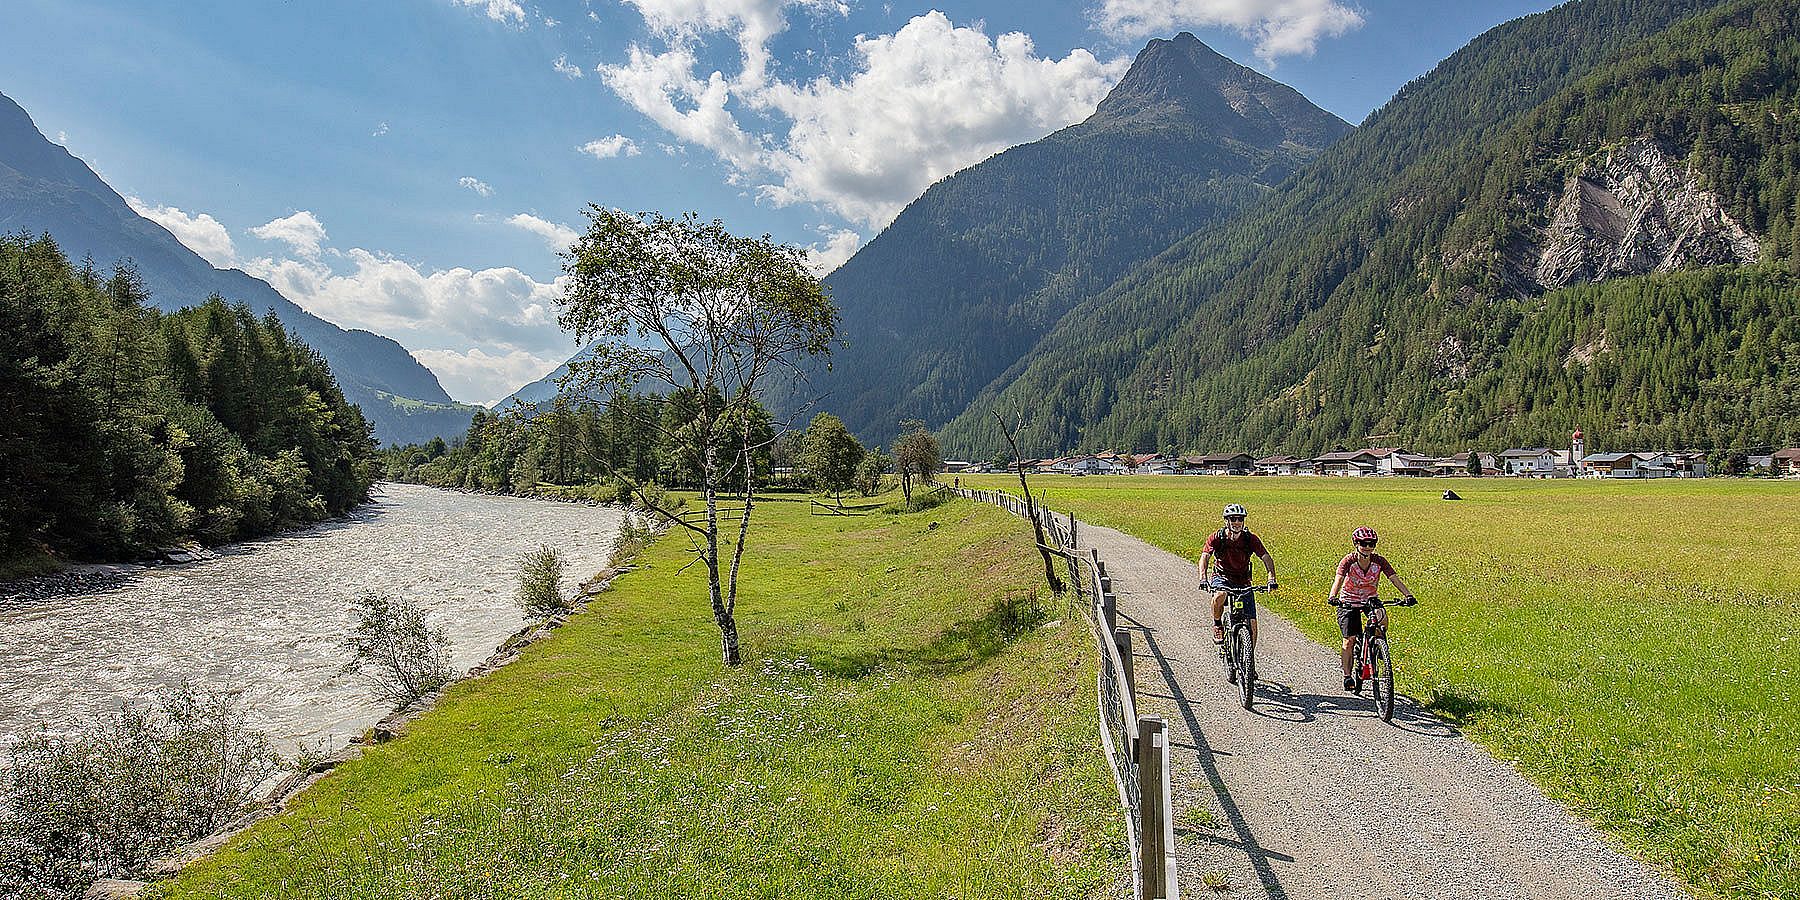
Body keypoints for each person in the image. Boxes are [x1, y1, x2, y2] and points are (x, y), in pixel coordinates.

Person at [1327, 526, 1415, 692]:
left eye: (1372, 543)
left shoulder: (1379, 561)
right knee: (1350, 639)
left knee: (1382, 618)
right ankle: (1347, 676)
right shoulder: (1348, 561)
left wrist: (1408, 595)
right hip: (1349, 601)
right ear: (1356, 543)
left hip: (1370, 599)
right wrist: (1333, 597)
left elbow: (1394, 579)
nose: (1367, 546)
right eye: (1363, 543)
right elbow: (1338, 579)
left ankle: (1379, 646)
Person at [1197, 503, 1278, 645]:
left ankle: (1248, 661)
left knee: (1252, 622)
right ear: (1226, 521)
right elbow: (1205, 556)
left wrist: (1271, 578)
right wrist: (1203, 578)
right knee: (1220, 595)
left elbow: (1265, 557)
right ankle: (1218, 625)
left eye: (1240, 519)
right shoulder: (1217, 537)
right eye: (1233, 519)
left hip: (1243, 580)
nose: (1237, 522)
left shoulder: (1250, 539)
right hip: (1221, 576)